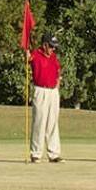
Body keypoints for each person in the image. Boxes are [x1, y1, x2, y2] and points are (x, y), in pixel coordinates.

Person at [28, 34, 63, 163]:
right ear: (45, 45)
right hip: (40, 90)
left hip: (53, 92)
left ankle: (54, 154)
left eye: (54, 47)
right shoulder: (36, 54)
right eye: (51, 46)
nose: (53, 49)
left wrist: (57, 85)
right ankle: (36, 153)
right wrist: (26, 52)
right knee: (39, 121)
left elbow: (58, 71)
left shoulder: (53, 57)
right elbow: (28, 58)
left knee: (53, 122)